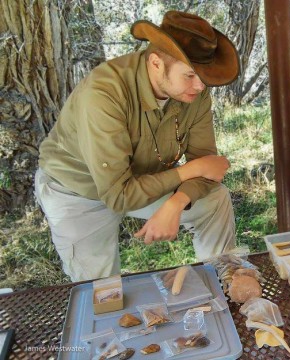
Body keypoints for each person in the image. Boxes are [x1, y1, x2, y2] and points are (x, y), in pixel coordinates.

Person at [34, 11, 240, 282]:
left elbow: (207, 168)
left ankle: (228, 284)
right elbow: (119, 196)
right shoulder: (104, 94)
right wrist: (189, 171)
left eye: (202, 76)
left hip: (141, 179)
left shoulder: (195, 91)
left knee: (214, 199)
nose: (200, 86)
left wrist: (177, 201)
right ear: (156, 63)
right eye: (190, 75)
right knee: (101, 291)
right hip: (76, 191)